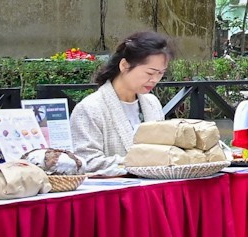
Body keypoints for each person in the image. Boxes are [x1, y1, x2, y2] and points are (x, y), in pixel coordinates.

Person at [70, 31, 172, 173]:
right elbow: (87, 161)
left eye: (161, 73)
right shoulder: (90, 108)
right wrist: (139, 162)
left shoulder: (152, 103)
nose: (155, 79)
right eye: (150, 73)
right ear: (124, 65)